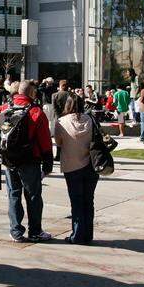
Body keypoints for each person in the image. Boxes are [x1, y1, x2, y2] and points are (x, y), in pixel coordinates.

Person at [0, 80, 54, 242]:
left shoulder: (3, 109)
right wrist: (48, 162)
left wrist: (1, 149)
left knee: (13, 195)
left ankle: (16, 231)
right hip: (30, 159)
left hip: (8, 159)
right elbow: (45, 140)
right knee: (33, 196)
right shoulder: (36, 112)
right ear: (31, 93)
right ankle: (35, 231)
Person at [53, 95, 99, 244]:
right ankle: (87, 234)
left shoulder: (61, 122)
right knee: (88, 201)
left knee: (76, 201)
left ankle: (77, 234)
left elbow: (58, 142)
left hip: (72, 166)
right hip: (91, 165)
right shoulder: (91, 120)